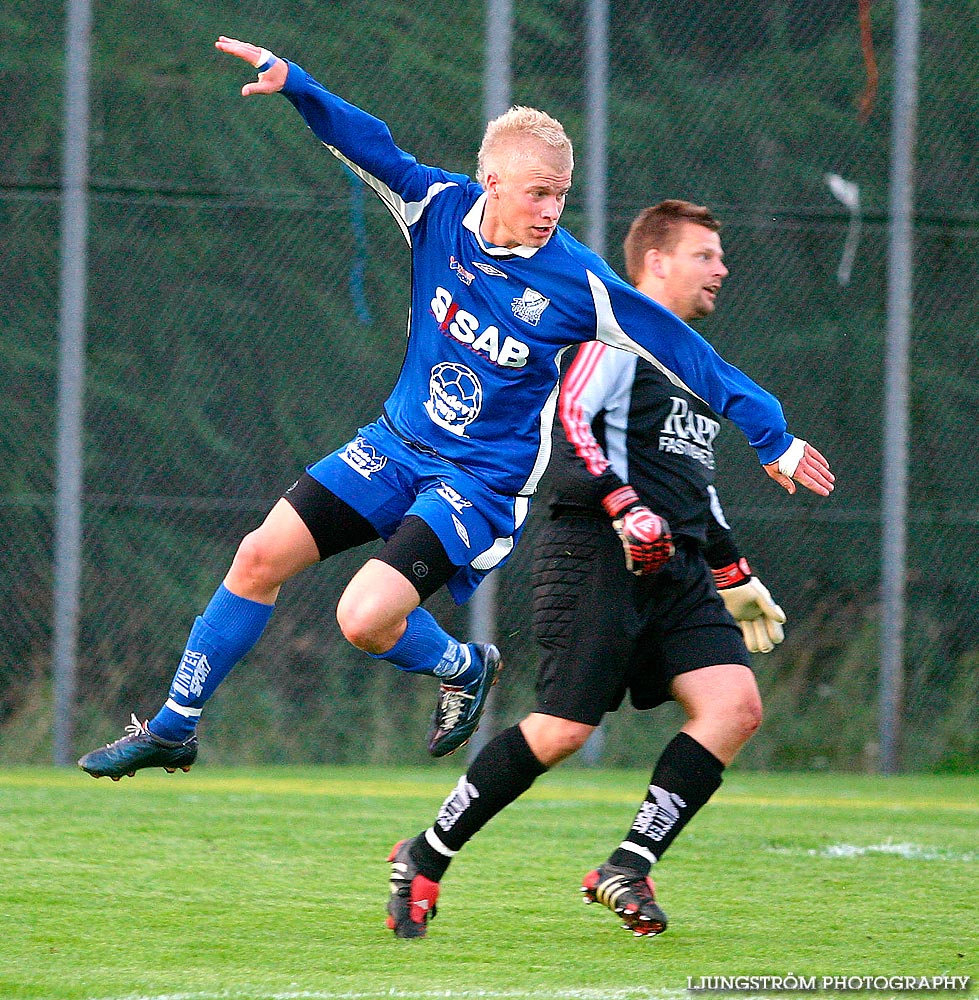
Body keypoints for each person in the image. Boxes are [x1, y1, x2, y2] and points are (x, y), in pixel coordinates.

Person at [78, 41, 832, 785]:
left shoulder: (576, 281)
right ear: (490, 180)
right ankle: (174, 728)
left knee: (363, 618)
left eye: (560, 194)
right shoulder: (435, 207)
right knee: (257, 558)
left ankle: (462, 668)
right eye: (536, 192)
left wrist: (771, 434)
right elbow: (369, 143)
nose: (550, 209)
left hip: (477, 480)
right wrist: (299, 86)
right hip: (396, 444)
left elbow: (683, 350)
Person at [385, 200, 799, 940]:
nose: (721, 269)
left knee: (734, 707)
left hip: (674, 572)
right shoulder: (617, 332)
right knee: (560, 730)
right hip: (596, 554)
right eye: (704, 254)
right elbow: (572, 418)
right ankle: (424, 854)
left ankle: (627, 866)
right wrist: (621, 505)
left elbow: (694, 483)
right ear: (657, 264)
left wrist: (733, 572)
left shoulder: (691, 368)